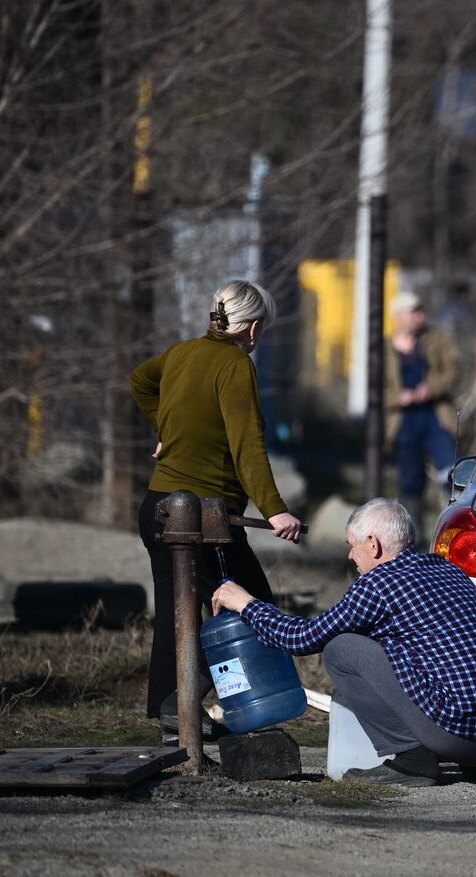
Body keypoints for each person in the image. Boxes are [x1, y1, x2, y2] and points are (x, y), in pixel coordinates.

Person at [211, 498, 476, 786]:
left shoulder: (378, 583)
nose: (350, 555)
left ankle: (413, 762)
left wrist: (246, 604)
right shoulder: (445, 569)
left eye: (351, 545)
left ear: (373, 544)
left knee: (341, 649)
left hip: (459, 737)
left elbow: (302, 638)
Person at [131, 279, 302, 742]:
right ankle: (178, 704)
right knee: (253, 608)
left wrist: (164, 429)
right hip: (205, 519)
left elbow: (140, 381)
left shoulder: (181, 352)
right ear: (250, 328)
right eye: (261, 328)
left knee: (176, 612)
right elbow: (248, 444)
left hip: (157, 508)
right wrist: (275, 510)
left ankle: (174, 716)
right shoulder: (234, 365)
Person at [385, 291, 461, 530]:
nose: (420, 316)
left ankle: (458, 528)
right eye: (414, 311)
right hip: (404, 420)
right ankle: (412, 536)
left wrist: (432, 388)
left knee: (451, 473)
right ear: (399, 316)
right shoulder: (383, 350)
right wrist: (399, 397)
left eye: (421, 311)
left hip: (435, 417)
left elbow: (454, 369)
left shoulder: (435, 342)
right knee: (411, 481)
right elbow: (374, 389)